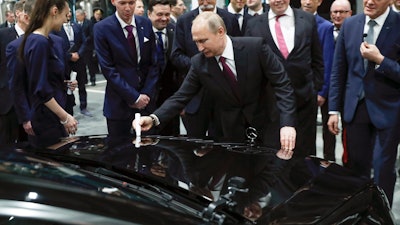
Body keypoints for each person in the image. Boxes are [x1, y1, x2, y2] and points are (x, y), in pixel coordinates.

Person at [133, 12, 297, 159]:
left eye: (203, 41)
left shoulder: (255, 48)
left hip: (269, 128)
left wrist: (287, 124)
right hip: (232, 135)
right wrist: (154, 119)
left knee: (267, 182)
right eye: (196, 42)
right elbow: (181, 96)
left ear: (220, 32)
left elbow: (282, 85)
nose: (200, 48)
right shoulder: (199, 63)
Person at [327, 0, 400, 207]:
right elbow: (338, 69)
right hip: (354, 108)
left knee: (383, 167)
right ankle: (356, 210)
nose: (369, 1)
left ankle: (380, 212)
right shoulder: (350, 24)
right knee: (355, 167)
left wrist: (380, 60)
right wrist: (333, 109)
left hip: (388, 110)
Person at [245, 0, 324, 157]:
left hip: (304, 105)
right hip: (270, 108)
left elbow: (317, 60)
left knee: (305, 159)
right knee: (273, 159)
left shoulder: (307, 19)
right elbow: (250, 67)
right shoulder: (253, 25)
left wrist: (313, 88)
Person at [170, 0, 241, 138]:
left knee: (224, 144)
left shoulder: (229, 19)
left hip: (224, 95)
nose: (205, 1)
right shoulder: (184, 20)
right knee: (194, 146)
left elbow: (237, 50)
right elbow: (176, 55)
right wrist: (200, 67)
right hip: (196, 95)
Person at [15, 0, 78, 148]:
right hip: (47, 119)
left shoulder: (44, 40)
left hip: (51, 115)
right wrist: (65, 117)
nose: (66, 19)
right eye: (65, 14)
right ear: (54, 11)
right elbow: (40, 88)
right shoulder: (39, 42)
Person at [94, 0, 158, 139]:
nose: (128, 8)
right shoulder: (102, 28)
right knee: (118, 153)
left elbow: (154, 63)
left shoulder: (145, 24)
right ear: (113, 2)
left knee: (147, 150)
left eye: (131, 2)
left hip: (146, 102)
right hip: (118, 103)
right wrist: (134, 97)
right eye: (123, 3)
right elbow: (108, 68)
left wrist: (146, 94)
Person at [301, 0, 336, 161]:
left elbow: (328, 61)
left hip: (318, 86)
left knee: (325, 134)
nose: (307, 2)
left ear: (319, 2)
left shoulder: (325, 26)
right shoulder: (293, 21)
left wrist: (322, 91)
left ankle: (326, 166)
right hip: (298, 87)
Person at [148, 0, 180, 136]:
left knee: (173, 141)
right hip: (147, 99)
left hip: (170, 98)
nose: (164, 18)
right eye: (159, 14)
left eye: (167, 14)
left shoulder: (176, 30)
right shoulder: (140, 32)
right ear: (149, 14)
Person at [53, 10, 92, 117]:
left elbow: (84, 42)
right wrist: (70, 56)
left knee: (82, 84)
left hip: (79, 60)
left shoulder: (77, 26)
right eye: (67, 12)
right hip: (65, 62)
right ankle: (69, 111)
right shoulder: (56, 28)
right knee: (67, 86)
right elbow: (55, 47)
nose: (69, 14)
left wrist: (79, 54)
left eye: (70, 12)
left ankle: (83, 106)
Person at [0, 1, 26, 145]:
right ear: (18, 13)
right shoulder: (2, 35)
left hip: (30, 104)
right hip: (7, 102)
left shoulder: (37, 37)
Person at [76, 9, 97, 87]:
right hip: (80, 48)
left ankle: (93, 79)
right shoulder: (76, 24)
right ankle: (84, 80)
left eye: (78, 16)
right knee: (82, 65)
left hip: (88, 47)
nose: (77, 17)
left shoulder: (89, 23)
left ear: (82, 15)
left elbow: (92, 34)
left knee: (90, 64)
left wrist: (85, 40)